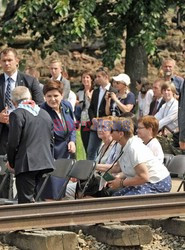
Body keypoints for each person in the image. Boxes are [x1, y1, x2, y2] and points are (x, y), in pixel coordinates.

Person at [0, 47, 44, 198]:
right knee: (3, 172)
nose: (7, 64)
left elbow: (39, 106)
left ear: (17, 61)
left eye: (10, 60)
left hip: (26, 134)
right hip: (3, 134)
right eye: (4, 61)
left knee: (26, 176)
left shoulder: (29, 81)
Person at [96, 117, 171, 196]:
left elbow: (144, 177)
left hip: (157, 182)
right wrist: (94, 166)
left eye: (112, 130)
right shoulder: (120, 144)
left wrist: (121, 183)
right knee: (115, 197)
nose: (109, 132)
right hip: (145, 181)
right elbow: (117, 167)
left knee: (123, 201)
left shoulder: (133, 148)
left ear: (121, 134)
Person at [6, 86, 54, 204]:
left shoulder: (17, 114)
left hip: (26, 163)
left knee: (25, 201)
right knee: (35, 197)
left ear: (13, 102)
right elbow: (51, 140)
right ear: (30, 97)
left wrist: (12, 162)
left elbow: (13, 142)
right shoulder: (44, 114)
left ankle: (28, 222)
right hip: (44, 162)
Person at [87, 67, 117, 160]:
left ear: (106, 77)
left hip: (107, 126)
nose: (96, 79)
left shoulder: (113, 91)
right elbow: (91, 108)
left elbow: (112, 110)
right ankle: (90, 171)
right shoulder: (96, 91)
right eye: (96, 77)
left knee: (108, 147)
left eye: (99, 76)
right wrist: (93, 119)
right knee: (91, 149)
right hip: (95, 125)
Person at [42, 80, 76, 160]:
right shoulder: (42, 112)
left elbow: (72, 126)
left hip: (69, 153)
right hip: (51, 156)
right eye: (49, 96)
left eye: (56, 95)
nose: (52, 99)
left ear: (62, 95)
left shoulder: (67, 106)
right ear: (45, 97)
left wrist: (72, 140)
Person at [76, 70, 94, 154]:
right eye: (83, 77)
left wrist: (90, 97)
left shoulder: (95, 91)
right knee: (85, 145)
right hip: (83, 121)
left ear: (91, 79)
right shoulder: (79, 92)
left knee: (92, 147)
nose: (85, 79)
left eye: (87, 77)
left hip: (92, 120)